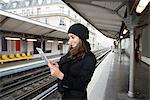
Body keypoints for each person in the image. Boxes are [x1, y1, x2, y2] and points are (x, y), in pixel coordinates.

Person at [48, 23, 96, 100]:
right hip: (63, 94)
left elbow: (82, 84)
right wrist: (57, 66)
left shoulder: (89, 58)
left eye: (72, 37)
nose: (69, 41)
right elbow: (66, 66)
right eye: (69, 38)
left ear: (81, 38)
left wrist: (60, 75)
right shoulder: (72, 52)